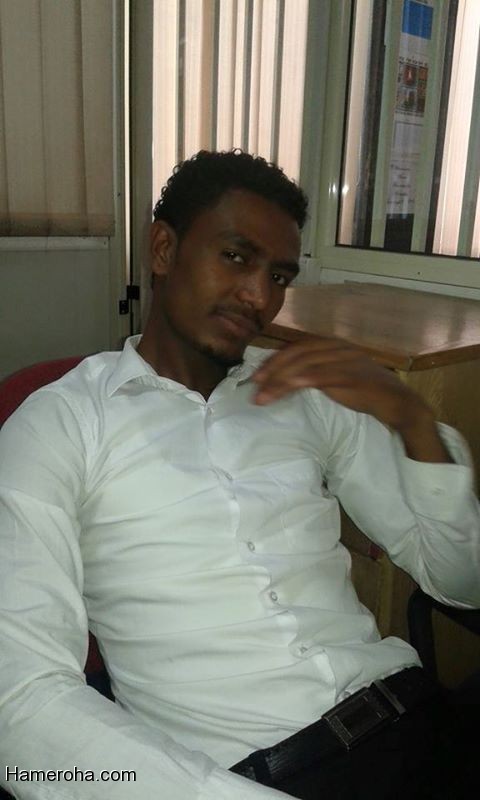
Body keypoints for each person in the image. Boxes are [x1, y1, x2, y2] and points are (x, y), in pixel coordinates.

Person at [0, 149, 479, 800]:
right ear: (163, 249)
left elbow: (461, 583)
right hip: (248, 779)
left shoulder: (306, 392)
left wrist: (413, 421)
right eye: (235, 256)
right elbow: (21, 705)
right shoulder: (59, 425)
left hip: (418, 720)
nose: (260, 297)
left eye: (279, 275)